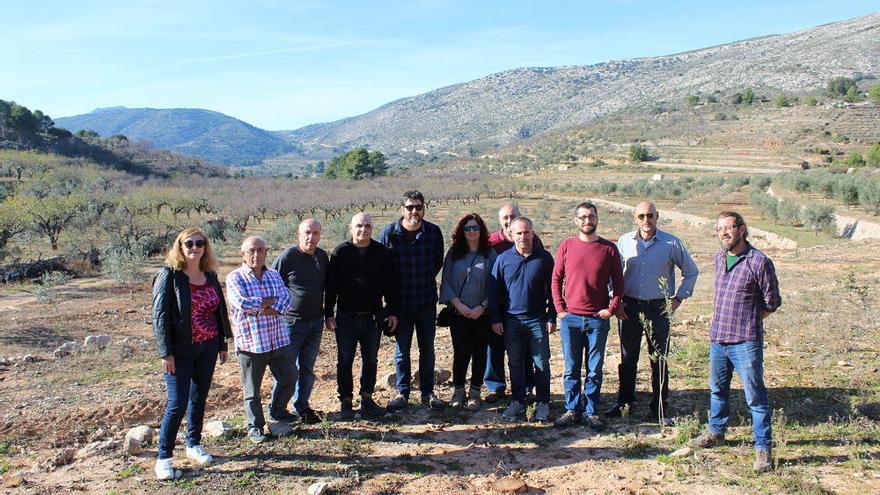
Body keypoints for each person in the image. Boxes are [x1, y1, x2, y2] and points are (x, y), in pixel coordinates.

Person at [691, 211, 781, 473]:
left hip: (745, 341)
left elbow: (772, 302)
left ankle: (763, 450)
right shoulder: (720, 258)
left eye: (729, 228)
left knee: (755, 398)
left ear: (742, 229)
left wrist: (750, 319)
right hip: (718, 339)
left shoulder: (759, 261)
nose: (724, 233)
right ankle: (716, 432)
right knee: (717, 390)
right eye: (720, 229)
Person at [151, 228, 232, 480]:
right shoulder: (169, 276)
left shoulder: (210, 274)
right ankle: (164, 457)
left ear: (205, 247)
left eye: (200, 243)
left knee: (199, 398)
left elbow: (219, 312)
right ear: (180, 246)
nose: (195, 247)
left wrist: (222, 343)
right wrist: (166, 353)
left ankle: (193, 444)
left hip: (207, 346)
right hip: (180, 350)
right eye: (189, 243)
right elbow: (160, 316)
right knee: (177, 404)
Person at [609, 201, 699, 422]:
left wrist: (677, 299)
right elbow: (613, 275)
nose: (646, 220)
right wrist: (616, 301)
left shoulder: (671, 243)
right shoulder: (624, 242)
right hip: (628, 307)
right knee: (628, 357)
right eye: (641, 216)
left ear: (657, 216)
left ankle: (659, 405)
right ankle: (625, 402)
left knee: (659, 358)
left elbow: (691, 272)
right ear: (635, 218)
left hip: (658, 308)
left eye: (650, 215)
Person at [551, 202, 624, 429]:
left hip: (597, 319)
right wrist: (560, 310)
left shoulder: (609, 249)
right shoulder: (566, 246)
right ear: (576, 221)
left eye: (590, 216)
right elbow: (555, 279)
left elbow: (620, 285)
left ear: (597, 218)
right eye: (582, 217)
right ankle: (572, 409)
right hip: (570, 318)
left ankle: (591, 411)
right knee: (571, 368)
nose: (587, 221)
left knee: (594, 369)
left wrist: (611, 309)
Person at [325, 213, 398, 419]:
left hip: (373, 317)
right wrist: (328, 313)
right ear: (350, 228)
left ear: (372, 229)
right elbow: (331, 287)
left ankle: (367, 398)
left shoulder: (382, 253)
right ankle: (346, 402)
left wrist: (391, 310)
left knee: (371, 360)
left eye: (367, 226)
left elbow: (390, 286)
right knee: (344, 360)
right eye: (359, 226)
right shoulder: (340, 252)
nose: (363, 230)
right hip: (346, 317)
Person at [379, 190, 446, 410]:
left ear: (424, 208)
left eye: (418, 207)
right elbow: (384, 271)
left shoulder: (433, 233)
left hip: (425, 301)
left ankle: (428, 393)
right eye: (410, 207)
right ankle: (403, 392)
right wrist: (389, 307)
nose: (414, 211)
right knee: (402, 350)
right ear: (402, 209)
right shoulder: (389, 233)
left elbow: (437, 263)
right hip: (400, 305)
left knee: (427, 349)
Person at [225, 236, 295, 443]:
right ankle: (255, 427)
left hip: (278, 338)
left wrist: (261, 308)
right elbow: (242, 304)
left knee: (290, 377)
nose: (257, 255)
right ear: (243, 254)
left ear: (266, 252)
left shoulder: (274, 275)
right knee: (252, 389)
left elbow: (286, 301)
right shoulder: (235, 278)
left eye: (261, 250)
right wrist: (269, 304)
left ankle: (278, 410)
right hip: (252, 343)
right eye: (252, 251)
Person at [488, 216, 555, 422]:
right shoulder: (503, 259)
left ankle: (543, 402)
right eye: (519, 233)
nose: (523, 236)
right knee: (515, 362)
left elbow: (553, 291)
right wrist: (495, 318)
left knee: (541, 362)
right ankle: (518, 400)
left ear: (533, 234)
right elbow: (494, 291)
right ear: (512, 234)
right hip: (511, 321)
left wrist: (552, 316)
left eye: (527, 232)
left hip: (537, 320)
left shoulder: (544, 258)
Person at [271, 219, 329, 424]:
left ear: (320, 235)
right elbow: (271, 285)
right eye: (307, 232)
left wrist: (328, 314)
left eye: (315, 233)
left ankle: (302, 407)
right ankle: (277, 410)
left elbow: (326, 287)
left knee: (307, 369)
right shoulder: (287, 257)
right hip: (291, 323)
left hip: (315, 322)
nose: (311, 237)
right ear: (298, 234)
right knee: (287, 370)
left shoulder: (322, 256)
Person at [484, 203, 542, 403]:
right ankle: (495, 386)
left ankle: (526, 387)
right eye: (505, 218)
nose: (509, 221)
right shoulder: (490, 241)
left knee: (523, 349)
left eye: (513, 216)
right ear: (500, 221)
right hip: (496, 303)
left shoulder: (531, 239)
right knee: (495, 347)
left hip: (524, 307)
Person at [439, 213, 497, 410]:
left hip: (483, 313)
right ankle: (458, 390)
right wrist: (459, 306)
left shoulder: (489, 254)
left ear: (481, 231)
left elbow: (496, 285)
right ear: (461, 232)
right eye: (467, 228)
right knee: (461, 353)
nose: (472, 232)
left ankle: (475, 392)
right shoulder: (454, 253)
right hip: (459, 313)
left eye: (475, 228)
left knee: (480, 353)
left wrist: (482, 307)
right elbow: (446, 281)